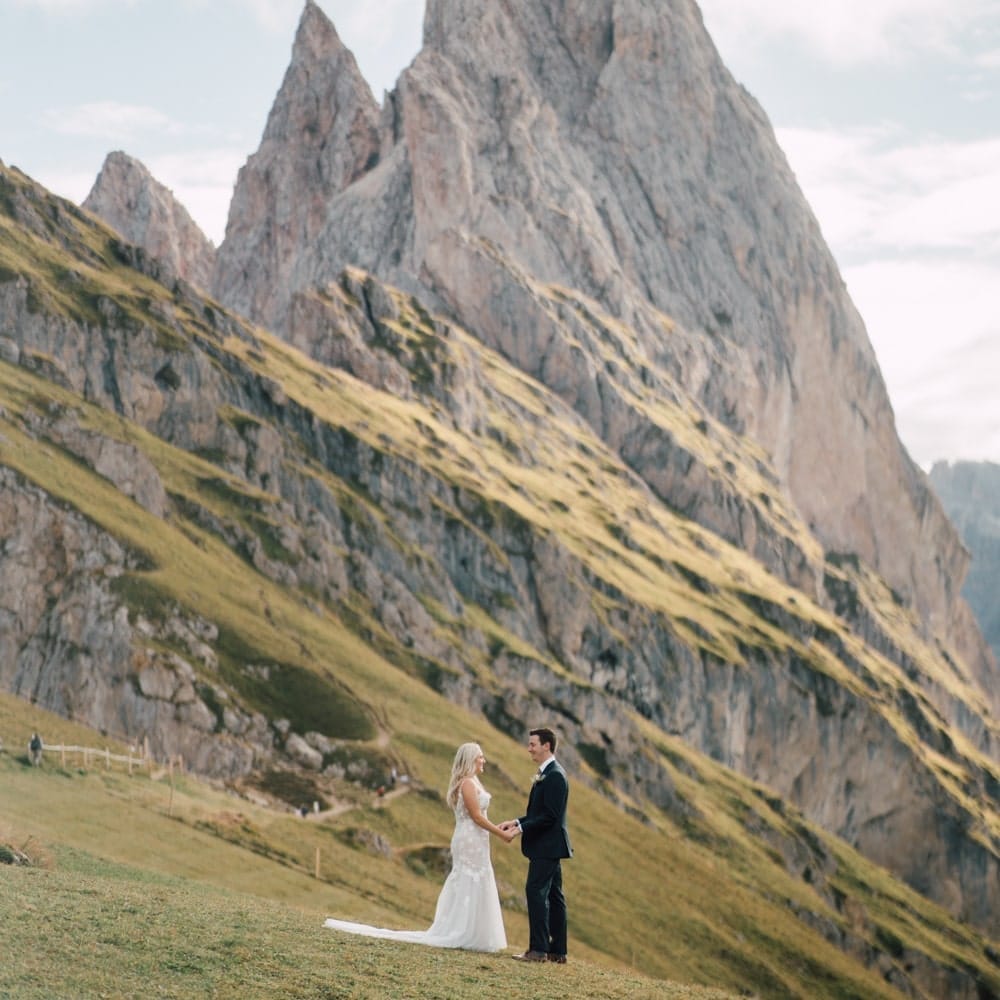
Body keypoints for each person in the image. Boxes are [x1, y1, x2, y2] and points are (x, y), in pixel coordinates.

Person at [324, 742, 513, 951]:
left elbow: (479, 815)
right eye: (480, 757)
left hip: (477, 839)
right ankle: (462, 930)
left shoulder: (473, 781)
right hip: (469, 840)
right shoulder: (467, 783)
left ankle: (475, 933)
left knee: (477, 877)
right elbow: (476, 816)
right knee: (468, 878)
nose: (483, 760)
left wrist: (499, 827)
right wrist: (500, 833)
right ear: (470, 759)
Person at [500, 727, 572, 964]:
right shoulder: (549, 773)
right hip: (549, 846)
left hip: (547, 847)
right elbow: (539, 812)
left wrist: (520, 830)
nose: (529, 748)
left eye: (533, 744)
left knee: (536, 892)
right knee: (554, 896)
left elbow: (550, 816)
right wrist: (517, 821)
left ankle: (539, 949)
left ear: (546, 746)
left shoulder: (555, 776)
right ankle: (557, 951)